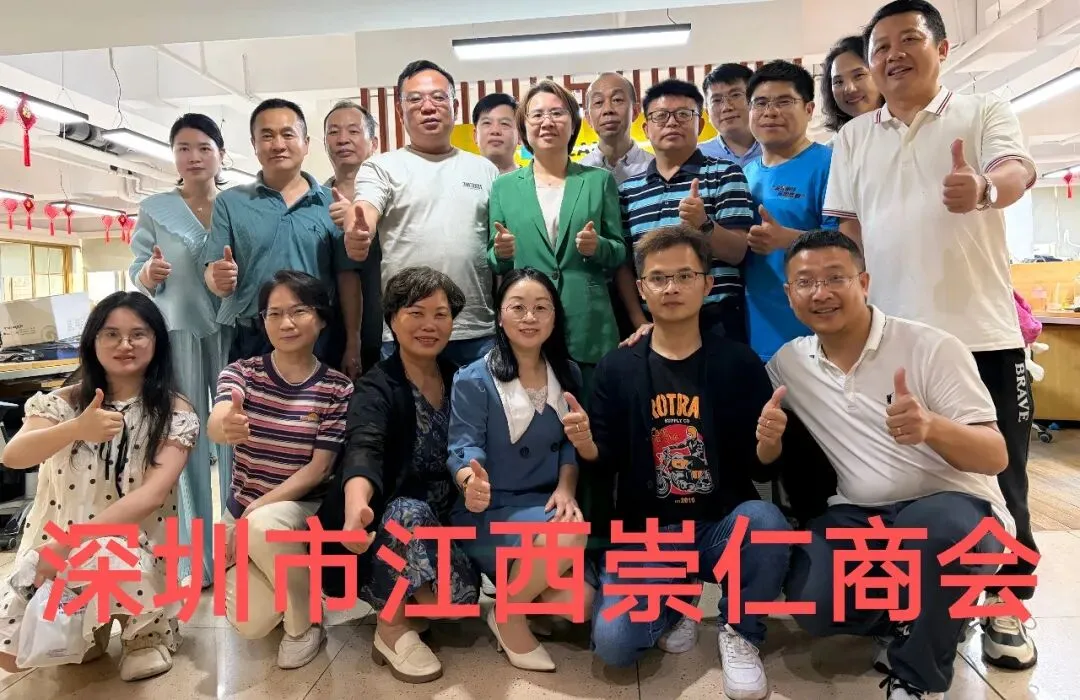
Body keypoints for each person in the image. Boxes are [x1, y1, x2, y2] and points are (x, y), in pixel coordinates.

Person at [823, 0, 1039, 670]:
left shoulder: (982, 110)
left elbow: (1017, 171)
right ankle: (925, 601)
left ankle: (1007, 605)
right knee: (908, 478)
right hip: (893, 348)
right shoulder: (853, 139)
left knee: (1004, 477)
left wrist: (984, 189)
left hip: (982, 337)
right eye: (880, 46)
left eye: (908, 39)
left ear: (942, 49)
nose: (893, 55)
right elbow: (849, 232)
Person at [771, 229, 1015, 700]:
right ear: (789, 294)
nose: (820, 293)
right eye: (805, 282)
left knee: (931, 534)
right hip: (860, 514)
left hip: (953, 508)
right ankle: (925, 614)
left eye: (835, 277)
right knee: (814, 601)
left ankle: (917, 676)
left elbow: (995, 454)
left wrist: (932, 427)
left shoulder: (931, 347)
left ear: (864, 283)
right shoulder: (790, 363)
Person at [585, 225, 791, 700]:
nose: (671, 288)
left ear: (708, 284)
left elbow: (761, 470)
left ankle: (740, 630)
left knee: (765, 521)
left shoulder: (738, 363)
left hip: (719, 525)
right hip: (648, 533)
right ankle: (678, 598)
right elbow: (604, 463)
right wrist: (587, 445)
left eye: (684, 276)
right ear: (641, 288)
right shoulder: (618, 367)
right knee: (615, 644)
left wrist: (770, 443)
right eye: (658, 278)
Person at [0, 292, 198, 681]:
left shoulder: (174, 410)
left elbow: (152, 495)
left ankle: (144, 632)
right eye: (111, 334)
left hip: (132, 548)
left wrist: (68, 543)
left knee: (109, 553)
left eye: (138, 334)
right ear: (93, 341)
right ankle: (91, 624)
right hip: (56, 551)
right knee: (14, 654)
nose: (125, 344)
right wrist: (75, 428)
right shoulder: (63, 402)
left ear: (157, 342)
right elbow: (14, 456)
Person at [316, 267, 478, 685]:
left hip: (447, 524)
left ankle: (415, 603)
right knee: (407, 512)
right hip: (386, 527)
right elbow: (363, 449)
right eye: (416, 313)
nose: (429, 325)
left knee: (456, 604)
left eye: (440, 314)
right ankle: (391, 630)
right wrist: (356, 509)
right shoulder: (377, 386)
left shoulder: (462, 378)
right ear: (391, 319)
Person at [447, 268, 592, 673]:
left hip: (543, 503)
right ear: (500, 316)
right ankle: (509, 614)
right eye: (518, 308)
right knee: (569, 533)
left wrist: (566, 488)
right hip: (490, 509)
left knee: (580, 604)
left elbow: (569, 443)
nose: (530, 317)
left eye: (541, 308)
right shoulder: (474, 378)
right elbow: (462, 445)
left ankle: (517, 594)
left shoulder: (568, 373)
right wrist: (470, 481)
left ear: (555, 317)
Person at [208, 271, 353, 670]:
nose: (286, 323)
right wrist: (224, 425)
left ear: (321, 319)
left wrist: (251, 515)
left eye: (299, 311)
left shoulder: (337, 388)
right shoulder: (242, 373)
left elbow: (318, 470)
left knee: (265, 525)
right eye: (274, 314)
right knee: (251, 623)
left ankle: (304, 625)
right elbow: (219, 418)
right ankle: (299, 586)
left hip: (300, 510)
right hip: (245, 513)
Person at [127, 113, 231, 587]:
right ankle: (198, 561)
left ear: (221, 155)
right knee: (187, 439)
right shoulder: (155, 208)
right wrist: (148, 274)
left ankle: (237, 552)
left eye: (204, 147)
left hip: (231, 329)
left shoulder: (236, 205)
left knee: (235, 439)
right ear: (173, 156)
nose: (194, 157)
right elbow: (137, 268)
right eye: (184, 148)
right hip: (179, 329)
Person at [344, 60, 499, 367]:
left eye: (438, 97)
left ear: (455, 106)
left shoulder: (485, 170)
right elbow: (364, 209)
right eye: (415, 99)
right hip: (407, 331)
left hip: (475, 330)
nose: (428, 107)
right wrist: (358, 230)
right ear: (400, 112)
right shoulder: (382, 167)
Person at [488, 80, 626, 395]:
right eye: (537, 115)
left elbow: (619, 252)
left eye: (557, 113)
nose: (547, 122)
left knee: (592, 416)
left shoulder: (598, 181)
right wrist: (502, 252)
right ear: (524, 128)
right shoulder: (504, 187)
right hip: (528, 324)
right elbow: (495, 261)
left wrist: (598, 247)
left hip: (588, 324)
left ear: (573, 124)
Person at [202, 98, 361, 370]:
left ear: (306, 143)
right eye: (267, 136)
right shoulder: (230, 203)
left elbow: (347, 277)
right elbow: (214, 272)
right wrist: (217, 279)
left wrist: (353, 342)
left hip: (319, 337)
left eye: (288, 134)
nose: (278, 144)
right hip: (254, 336)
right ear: (254, 144)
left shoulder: (332, 204)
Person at [616, 79, 754, 345]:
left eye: (683, 114)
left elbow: (738, 252)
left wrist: (703, 224)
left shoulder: (725, 174)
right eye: (660, 116)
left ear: (699, 125)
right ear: (646, 128)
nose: (671, 123)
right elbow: (624, 265)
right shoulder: (628, 191)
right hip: (653, 324)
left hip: (716, 322)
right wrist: (639, 321)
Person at [742, 60, 839, 361]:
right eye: (760, 103)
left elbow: (849, 244)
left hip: (814, 327)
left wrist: (789, 239)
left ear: (809, 109)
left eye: (784, 102)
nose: (770, 112)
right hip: (753, 325)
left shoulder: (830, 164)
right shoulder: (744, 173)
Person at [324, 100, 381, 377]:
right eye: (333, 132)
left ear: (374, 143)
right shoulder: (313, 201)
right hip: (324, 336)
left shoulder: (393, 200)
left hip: (387, 333)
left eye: (353, 131)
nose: (342, 139)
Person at [580, 72, 654, 185]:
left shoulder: (655, 169)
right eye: (598, 102)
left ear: (635, 111)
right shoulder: (578, 175)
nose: (608, 109)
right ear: (588, 117)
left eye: (617, 100)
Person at [700, 63, 761, 168]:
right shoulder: (695, 158)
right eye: (716, 100)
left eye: (735, 95)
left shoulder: (779, 149)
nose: (726, 107)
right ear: (707, 112)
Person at [820, 35, 885, 134]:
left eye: (858, 75)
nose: (849, 89)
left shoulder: (906, 128)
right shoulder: (839, 142)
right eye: (838, 82)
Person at [473, 93, 520, 174]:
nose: (495, 131)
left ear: (520, 136)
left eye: (504, 123)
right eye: (487, 123)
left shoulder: (534, 180)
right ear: (475, 135)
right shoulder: (459, 178)